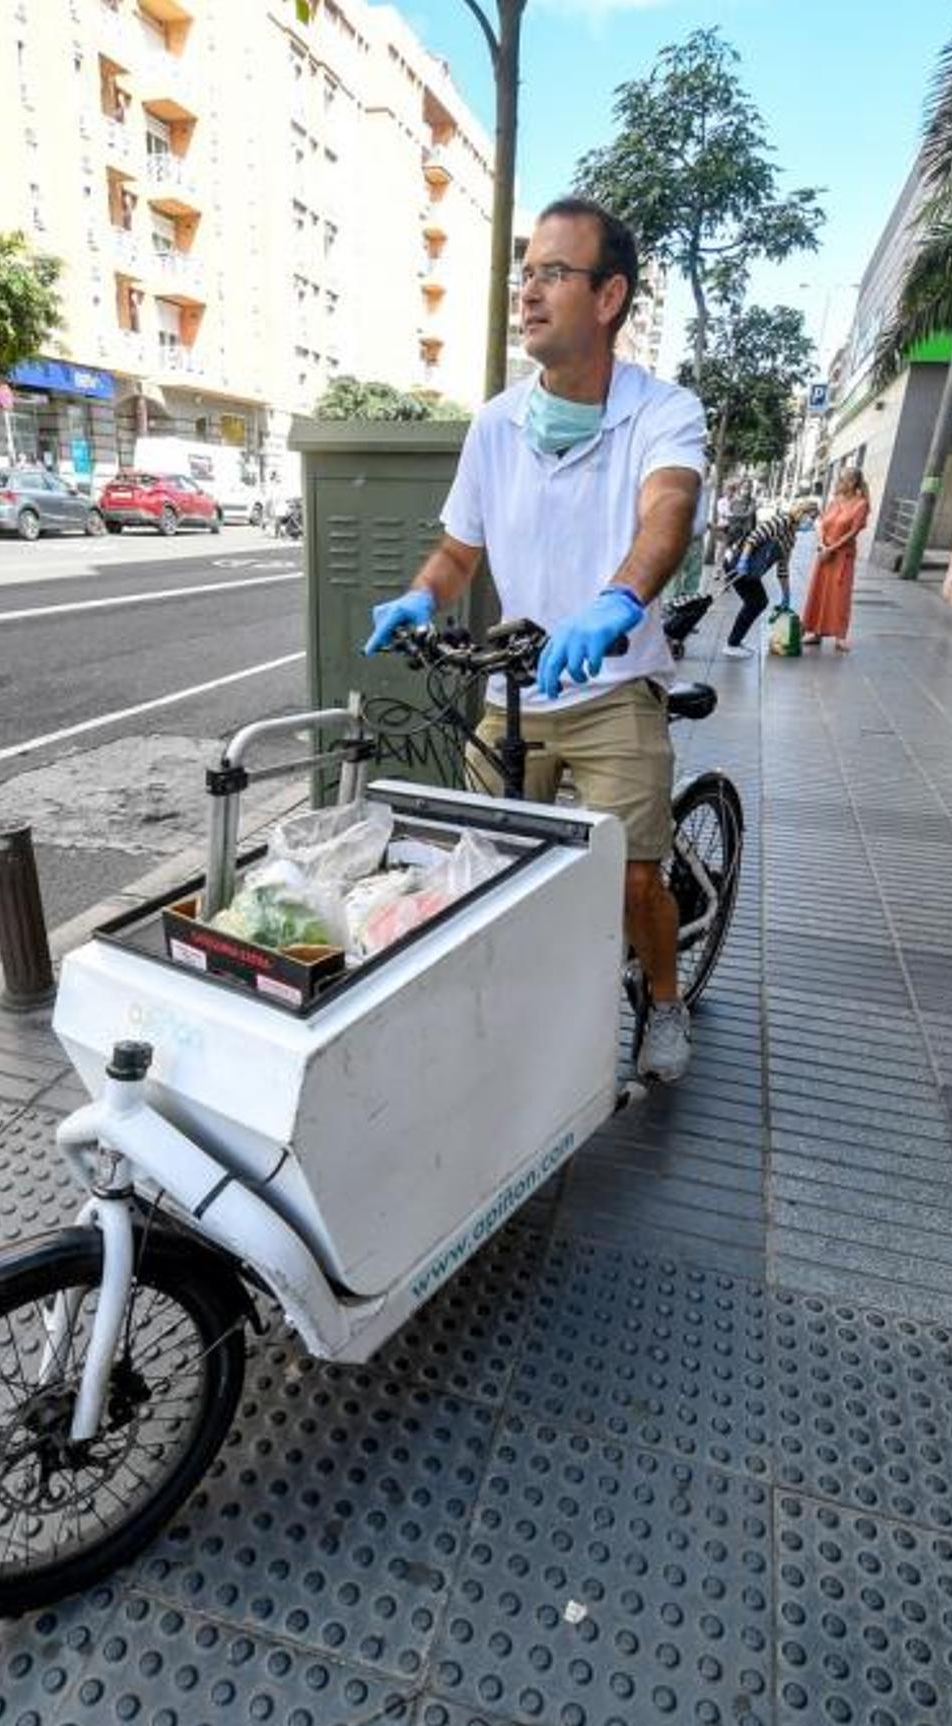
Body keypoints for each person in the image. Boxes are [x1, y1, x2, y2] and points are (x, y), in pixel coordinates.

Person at [363, 195, 706, 1083]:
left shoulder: (662, 412)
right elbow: (456, 549)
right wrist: (420, 597)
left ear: (609, 297)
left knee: (630, 881)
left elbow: (667, 512)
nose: (530, 291)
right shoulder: (495, 423)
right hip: (514, 687)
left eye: (555, 273)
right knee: (478, 866)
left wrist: (619, 600)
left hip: (613, 687)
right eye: (526, 274)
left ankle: (664, 1004)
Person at [722, 495, 819, 658]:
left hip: (751, 570)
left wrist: (786, 595)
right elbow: (753, 538)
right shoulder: (781, 522)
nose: (812, 522)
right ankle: (732, 643)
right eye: (811, 517)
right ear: (802, 512)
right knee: (756, 602)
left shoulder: (791, 537)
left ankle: (735, 641)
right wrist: (743, 561)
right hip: (738, 562)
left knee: (756, 602)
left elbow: (782, 568)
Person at [801, 468, 870, 651]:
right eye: (842, 479)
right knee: (819, 592)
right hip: (825, 554)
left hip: (842, 556)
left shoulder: (861, 504)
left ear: (855, 482)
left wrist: (831, 548)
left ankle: (840, 636)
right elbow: (823, 524)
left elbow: (853, 532)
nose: (842, 483)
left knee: (839, 595)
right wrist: (823, 545)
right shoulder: (834, 501)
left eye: (847, 480)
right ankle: (816, 632)